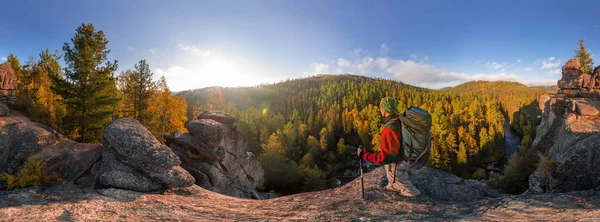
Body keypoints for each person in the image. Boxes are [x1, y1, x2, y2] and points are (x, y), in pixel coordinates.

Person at [356, 97, 421, 197]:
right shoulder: (399, 120)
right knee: (393, 176)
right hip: (405, 159)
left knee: (410, 191)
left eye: (380, 107)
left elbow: (384, 157)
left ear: (385, 110)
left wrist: (365, 155)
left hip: (397, 164)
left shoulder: (389, 129)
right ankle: (393, 185)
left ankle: (416, 201)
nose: (379, 109)